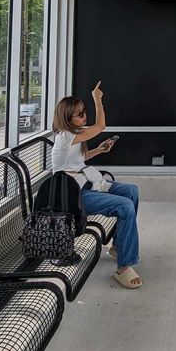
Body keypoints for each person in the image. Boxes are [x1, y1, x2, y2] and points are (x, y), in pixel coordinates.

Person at [51, 81, 143, 289]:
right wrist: (97, 100)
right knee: (124, 206)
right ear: (67, 118)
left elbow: (76, 162)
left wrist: (99, 150)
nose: (84, 116)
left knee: (131, 191)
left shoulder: (74, 135)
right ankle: (124, 267)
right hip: (72, 195)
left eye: (84, 111)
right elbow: (101, 126)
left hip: (86, 185)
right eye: (79, 114)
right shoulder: (66, 135)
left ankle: (120, 246)